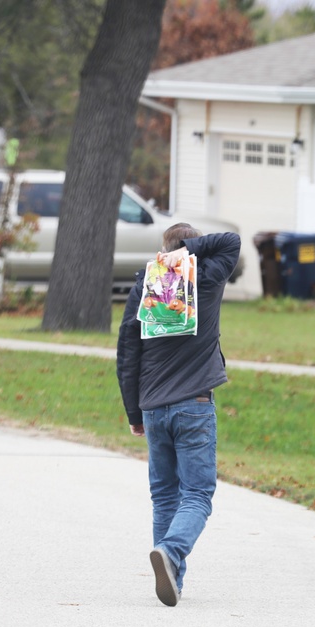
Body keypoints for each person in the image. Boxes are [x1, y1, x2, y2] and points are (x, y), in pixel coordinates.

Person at [116, 223, 242, 607]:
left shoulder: (146, 287)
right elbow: (231, 241)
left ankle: (174, 580)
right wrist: (190, 251)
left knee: (165, 497)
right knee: (198, 494)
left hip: (153, 408)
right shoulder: (207, 278)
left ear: (164, 249)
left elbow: (127, 355)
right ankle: (171, 553)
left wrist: (133, 412)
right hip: (194, 405)